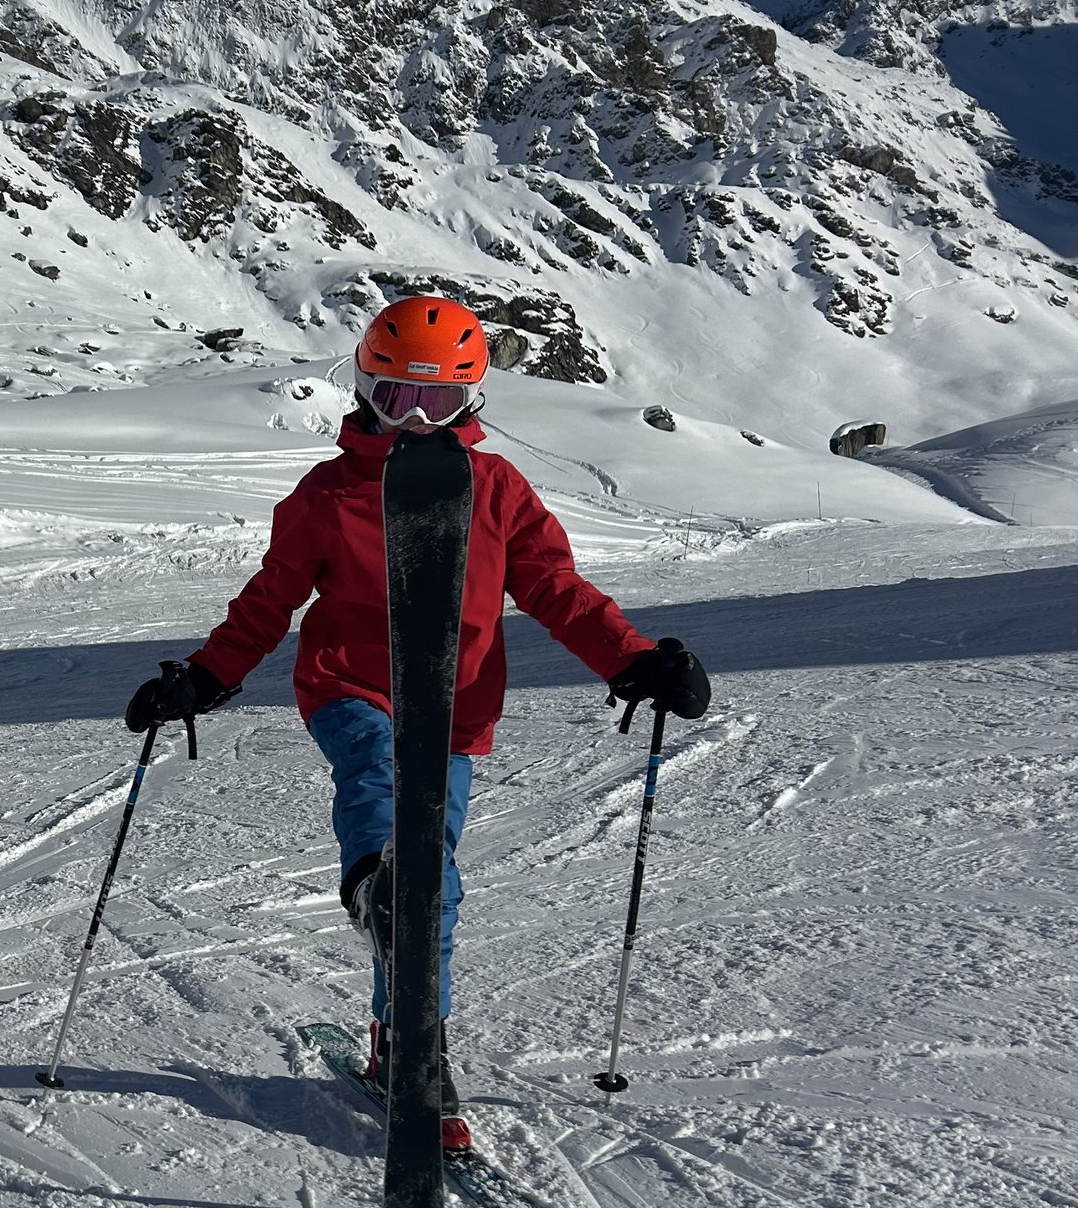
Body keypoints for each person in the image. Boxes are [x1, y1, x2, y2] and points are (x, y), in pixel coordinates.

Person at [124, 294, 710, 1148]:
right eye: (396, 399)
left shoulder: (498, 490)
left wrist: (632, 660)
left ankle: (403, 1041)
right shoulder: (327, 494)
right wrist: (208, 676)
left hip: (455, 710)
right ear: (364, 391)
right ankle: (376, 890)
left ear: (473, 401)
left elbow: (556, 589)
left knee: (429, 893)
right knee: (381, 791)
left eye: (438, 404)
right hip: (350, 687)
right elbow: (268, 602)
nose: (415, 421)